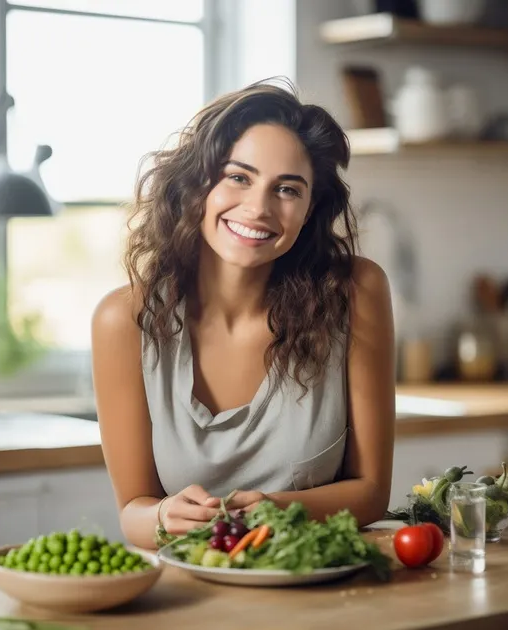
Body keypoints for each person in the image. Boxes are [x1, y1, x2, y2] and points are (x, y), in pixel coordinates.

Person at [91, 79, 396, 550]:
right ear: (198, 184)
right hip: (190, 600)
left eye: (288, 189)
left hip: (319, 591)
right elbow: (133, 512)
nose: (258, 208)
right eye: (238, 177)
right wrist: (162, 515)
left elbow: (372, 493)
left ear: (310, 207)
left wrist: (280, 510)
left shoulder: (355, 292)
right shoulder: (123, 321)